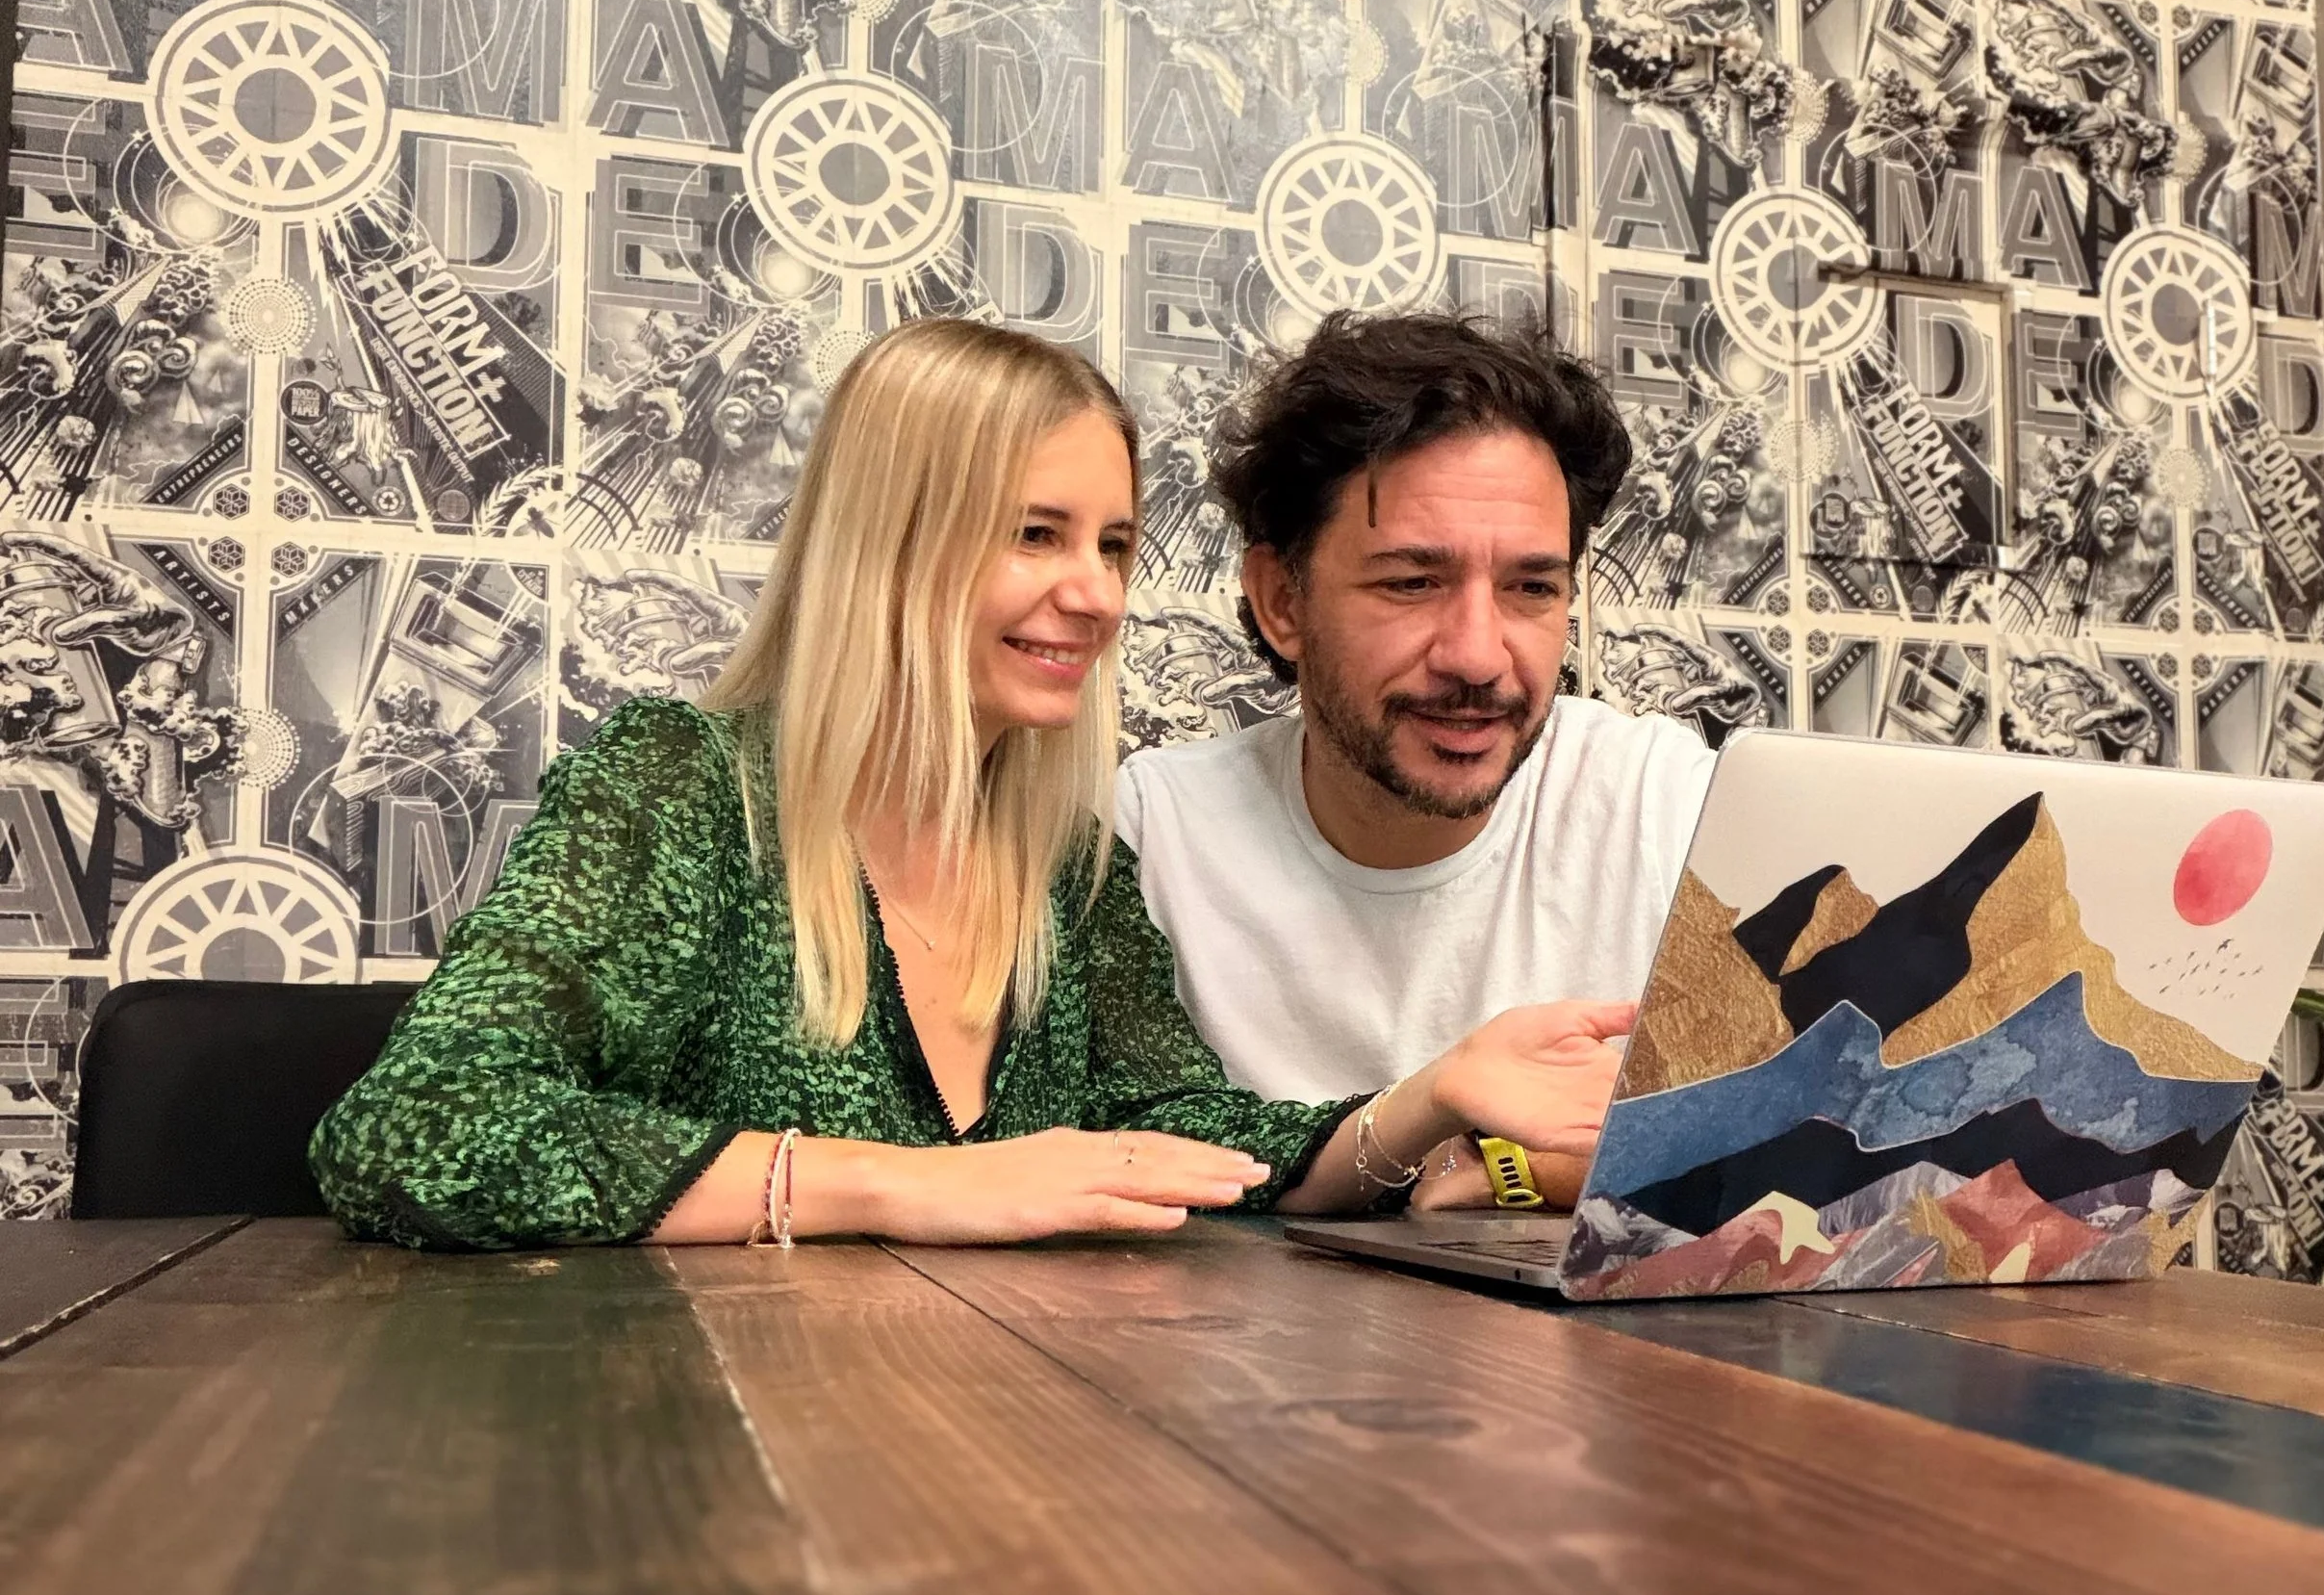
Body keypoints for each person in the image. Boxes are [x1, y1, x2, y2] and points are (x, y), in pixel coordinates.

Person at [311, 319, 1631, 1250]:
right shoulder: (683, 792)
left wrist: (1438, 1095)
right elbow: (422, 1123)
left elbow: (1188, 1137)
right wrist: (906, 1186)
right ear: (891, 545)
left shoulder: (1064, 863)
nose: (1095, 593)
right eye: (1034, 535)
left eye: (1113, 543)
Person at [1115, 311, 1717, 1211]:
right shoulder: (1153, 835)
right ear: (1282, 600)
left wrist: (1495, 1171)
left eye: (1531, 588)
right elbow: (1101, 1151)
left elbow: (1850, 1128)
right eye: (1411, 582)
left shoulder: (1663, 802)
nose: (1478, 655)